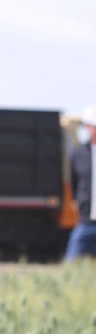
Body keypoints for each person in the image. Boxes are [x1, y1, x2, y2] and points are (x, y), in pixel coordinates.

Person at [65, 104, 96, 260]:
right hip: (86, 220)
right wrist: (77, 202)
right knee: (73, 259)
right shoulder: (79, 154)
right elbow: (74, 181)